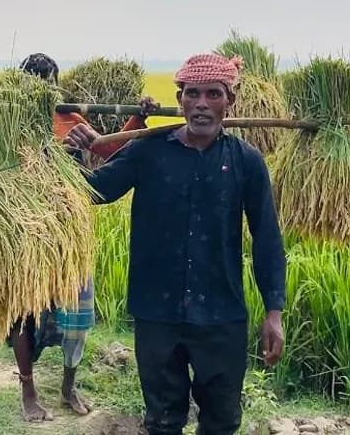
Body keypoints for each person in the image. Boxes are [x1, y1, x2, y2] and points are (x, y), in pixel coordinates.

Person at [64, 53, 287, 435]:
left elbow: (267, 237)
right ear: (180, 99)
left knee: (222, 421)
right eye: (193, 94)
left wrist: (274, 311)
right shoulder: (148, 151)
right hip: (157, 314)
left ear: (229, 101)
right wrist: (72, 153)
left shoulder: (246, 162)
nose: (202, 104)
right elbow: (95, 191)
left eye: (213, 94)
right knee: (163, 421)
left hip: (221, 315)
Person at [3, 52, 158, 422]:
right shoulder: (8, 122)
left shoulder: (68, 117)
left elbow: (109, 149)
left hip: (70, 230)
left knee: (77, 315)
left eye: (49, 83)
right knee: (22, 312)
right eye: (35, 83)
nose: (44, 90)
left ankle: (68, 387)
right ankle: (28, 391)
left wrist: (139, 118)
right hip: (26, 230)